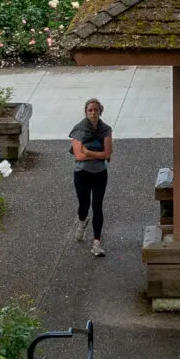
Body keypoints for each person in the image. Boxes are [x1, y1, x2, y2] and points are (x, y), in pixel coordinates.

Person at [68, 98, 113, 257]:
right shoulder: (79, 130)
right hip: (82, 173)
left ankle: (97, 242)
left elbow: (107, 154)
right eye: (90, 110)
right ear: (86, 112)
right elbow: (79, 156)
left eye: (96, 110)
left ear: (100, 111)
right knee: (84, 204)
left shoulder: (106, 130)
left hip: (100, 173)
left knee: (97, 205)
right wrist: (98, 155)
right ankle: (82, 221)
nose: (93, 113)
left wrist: (89, 152)